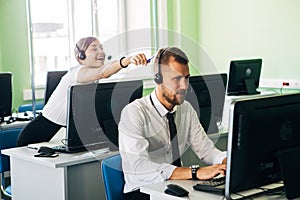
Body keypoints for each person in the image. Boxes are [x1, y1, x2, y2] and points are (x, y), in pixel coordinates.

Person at [118, 47, 227, 200]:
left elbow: (206, 150)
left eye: (186, 78)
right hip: (143, 192)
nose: (184, 86)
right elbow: (139, 168)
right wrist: (195, 172)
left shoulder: (186, 109)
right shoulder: (134, 112)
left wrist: (227, 162)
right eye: (177, 79)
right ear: (158, 79)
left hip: (176, 189)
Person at [17, 36, 148, 146]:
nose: (101, 51)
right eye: (94, 48)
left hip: (58, 134)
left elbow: (108, 67)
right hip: (37, 133)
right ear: (81, 56)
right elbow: (103, 72)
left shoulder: (92, 76)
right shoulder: (78, 72)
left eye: (101, 47)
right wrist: (128, 60)